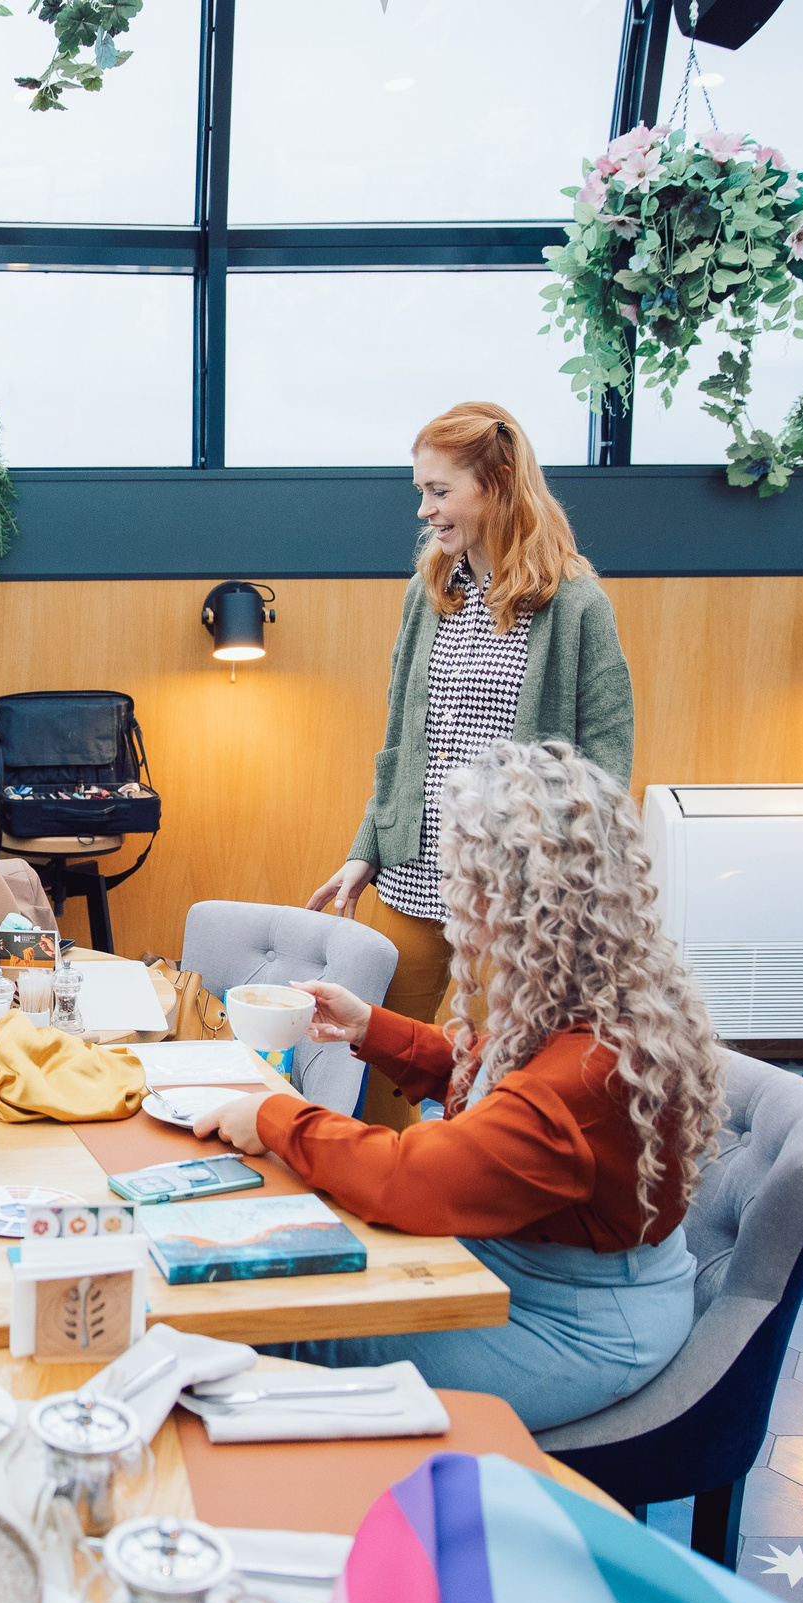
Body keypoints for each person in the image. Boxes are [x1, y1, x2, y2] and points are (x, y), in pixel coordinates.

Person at [205, 742, 725, 1432]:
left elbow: (414, 1181)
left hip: (573, 1326)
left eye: (463, 881)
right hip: (528, 1268)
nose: (453, 905)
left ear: (516, 900)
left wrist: (276, 1116)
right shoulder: (595, 995)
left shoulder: (587, 1074)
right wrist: (372, 1026)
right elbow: (495, 1081)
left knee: (298, 1330)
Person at [308, 401, 635, 1132]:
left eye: (439, 490)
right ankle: (384, 1196)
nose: (424, 509)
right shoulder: (430, 594)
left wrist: (574, 882)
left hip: (518, 893)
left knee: (504, 1076)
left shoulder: (575, 603)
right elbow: (400, 742)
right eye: (421, 491)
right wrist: (367, 848)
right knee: (378, 1055)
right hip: (416, 873)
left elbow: (608, 765)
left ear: (498, 485)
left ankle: (485, 1225)